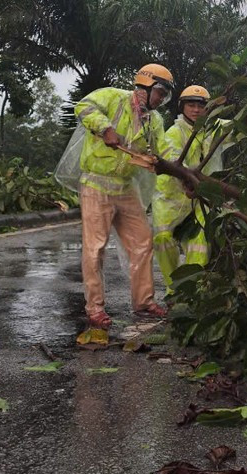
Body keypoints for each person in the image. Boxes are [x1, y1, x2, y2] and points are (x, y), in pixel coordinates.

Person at [74, 64, 174, 329]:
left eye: (165, 95)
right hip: (96, 183)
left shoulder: (155, 120)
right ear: (146, 85)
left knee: (143, 242)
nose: (161, 99)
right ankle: (95, 308)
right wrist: (104, 128)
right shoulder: (113, 97)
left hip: (125, 186)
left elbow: (163, 152)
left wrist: (179, 172)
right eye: (160, 92)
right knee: (95, 249)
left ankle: (144, 302)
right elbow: (83, 106)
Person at [152, 84, 212, 293]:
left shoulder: (211, 130)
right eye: (191, 105)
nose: (196, 110)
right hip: (171, 199)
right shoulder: (173, 133)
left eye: (200, 106)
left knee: (200, 241)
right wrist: (186, 179)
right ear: (182, 107)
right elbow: (171, 158)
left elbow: (233, 128)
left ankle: (192, 289)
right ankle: (174, 290)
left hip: (198, 199)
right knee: (162, 240)